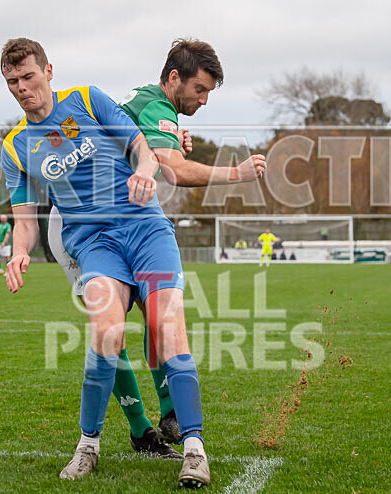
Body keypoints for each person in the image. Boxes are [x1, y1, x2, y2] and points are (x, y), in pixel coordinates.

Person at [44, 39, 266, 469]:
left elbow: (147, 147)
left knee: (158, 316)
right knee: (110, 330)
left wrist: (168, 138)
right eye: (200, 90)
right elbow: (174, 171)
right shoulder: (156, 106)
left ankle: (167, 416)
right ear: (173, 79)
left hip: (124, 221)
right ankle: (141, 426)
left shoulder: (149, 103)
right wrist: (234, 173)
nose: (203, 100)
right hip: (83, 226)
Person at [0, 38, 210, 487]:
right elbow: (25, 220)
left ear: (49, 71)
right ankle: (88, 446)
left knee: (168, 327)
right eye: (13, 81)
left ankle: (194, 449)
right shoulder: (16, 147)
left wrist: (145, 171)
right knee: (106, 331)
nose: (22, 87)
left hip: (143, 227)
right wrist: (19, 251)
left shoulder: (88, 100)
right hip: (94, 242)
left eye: (29, 76)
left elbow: (142, 148)